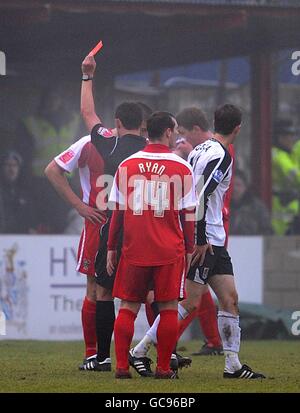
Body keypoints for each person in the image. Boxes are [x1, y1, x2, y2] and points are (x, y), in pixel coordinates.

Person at [130, 104, 265, 379]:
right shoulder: (221, 155)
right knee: (189, 303)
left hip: (212, 238)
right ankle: (139, 350)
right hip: (207, 239)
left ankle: (233, 365)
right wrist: (199, 238)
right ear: (238, 129)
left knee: (230, 299)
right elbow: (200, 196)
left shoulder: (200, 149)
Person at [106, 111, 196, 379]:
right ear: (168, 131)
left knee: (127, 307)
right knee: (168, 307)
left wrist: (111, 247)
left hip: (134, 248)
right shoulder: (182, 167)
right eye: (176, 130)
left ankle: (122, 366)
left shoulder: (126, 165)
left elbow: (118, 213)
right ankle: (164, 368)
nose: (176, 134)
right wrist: (190, 250)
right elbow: (188, 215)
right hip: (169, 249)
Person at [79, 54, 147, 372]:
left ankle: (103, 358)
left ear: (117, 124)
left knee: (104, 290)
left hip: (112, 228)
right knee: (150, 294)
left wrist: (87, 76)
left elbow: (88, 112)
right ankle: (157, 354)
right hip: (146, 230)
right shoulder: (152, 149)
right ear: (144, 125)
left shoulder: (110, 144)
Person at [45, 135, 106, 366]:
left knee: (146, 292)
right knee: (94, 287)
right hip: (98, 224)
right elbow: (53, 170)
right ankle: (93, 353)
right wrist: (80, 206)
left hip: (133, 226)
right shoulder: (89, 143)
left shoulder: (145, 147)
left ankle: (154, 352)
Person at [272, 119, 300, 235]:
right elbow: (295, 177)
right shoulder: (277, 155)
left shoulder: (287, 154)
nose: (291, 139)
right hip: (280, 207)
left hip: (289, 206)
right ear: (279, 137)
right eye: (288, 136)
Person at [0, 151, 37, 234]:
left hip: (21, 238)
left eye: (14, 165)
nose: (11, 169)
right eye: (8, 165)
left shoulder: (24, 193)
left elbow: (31, 217)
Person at [230, 169, 273, 235]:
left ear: (245, 187)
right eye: (231, 185)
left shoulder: (257, 208)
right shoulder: (221, 207)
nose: (235, 189)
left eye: (238, 185)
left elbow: (267, 230)